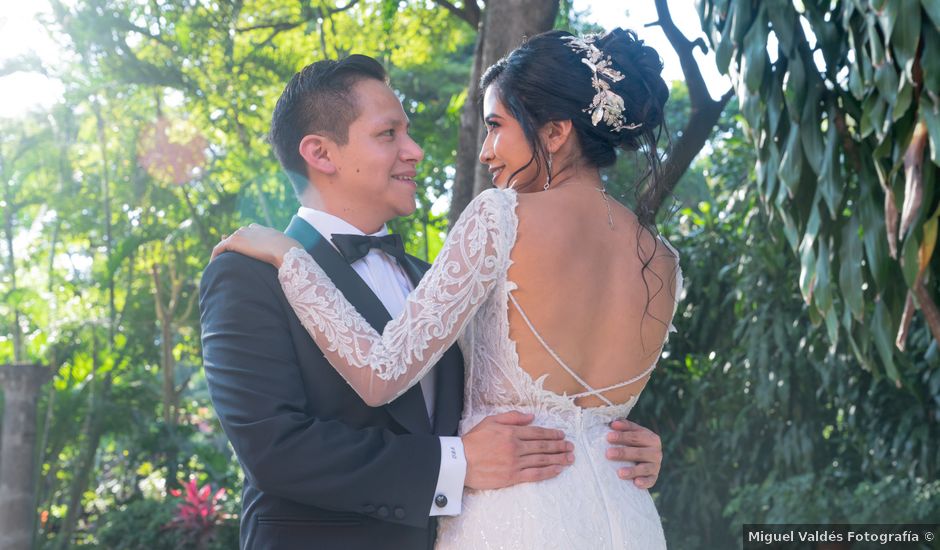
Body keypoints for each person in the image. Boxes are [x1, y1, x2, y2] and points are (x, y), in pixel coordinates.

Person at [200, 37, 666, 550]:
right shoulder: (248, 273)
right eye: (389, 134)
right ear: (320, 153)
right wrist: (457, 464)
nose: (416, 150)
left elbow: (537, 385)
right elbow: (275, 451)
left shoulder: (455, 270)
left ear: (555, 132)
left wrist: (612, 438)